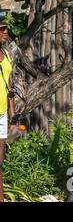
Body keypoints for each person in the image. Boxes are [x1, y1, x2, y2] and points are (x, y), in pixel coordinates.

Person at [0, 17, 16, 202]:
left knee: (0, 161)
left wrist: (13, 116)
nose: (5, 32)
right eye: (1, 29)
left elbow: (9, 85)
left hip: (3, 113)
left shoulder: (5, 53)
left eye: (5, 29)